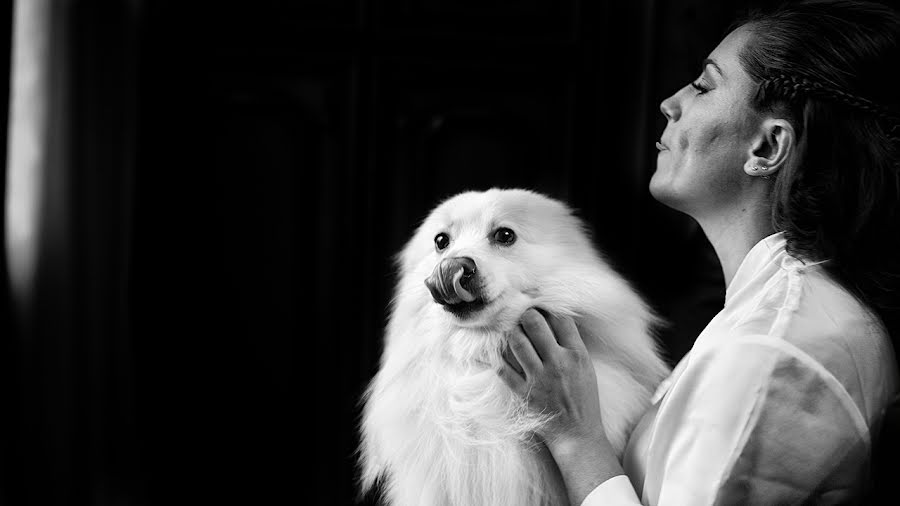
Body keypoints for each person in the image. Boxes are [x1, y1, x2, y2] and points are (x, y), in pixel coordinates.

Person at [495, 1, 900, 504]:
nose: (670, 103)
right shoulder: (770, 316)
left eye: (704, 85)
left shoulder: (770, 350)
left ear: (767, 148)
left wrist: (575, 437)